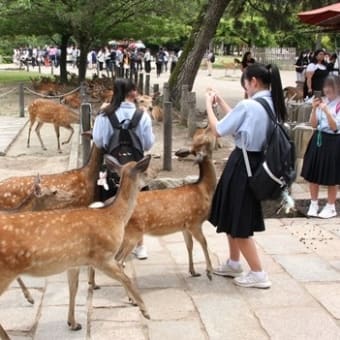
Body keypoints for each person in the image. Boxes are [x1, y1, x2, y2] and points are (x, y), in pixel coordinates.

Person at [205, 63, 287, 289]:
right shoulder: (271, 104)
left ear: (253, 82)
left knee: (239, 221)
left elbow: (219, 130)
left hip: (242, 165)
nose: (245, 87)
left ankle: (259, 274)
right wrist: (221, 102)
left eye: (245, 82)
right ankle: (233, 263)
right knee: (232, 214)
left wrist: (208, 106)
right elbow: (240, 122)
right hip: (257, 163)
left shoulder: (250, 105)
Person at [93, 78, 155, 260]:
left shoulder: (105, 115)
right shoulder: (142, 115)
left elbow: (98, 141)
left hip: (111, 167)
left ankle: (111, 245)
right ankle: (140, 246)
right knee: (137, 205)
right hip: (136, 169)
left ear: (115, 92)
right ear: (133, 93)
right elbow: (148, 144)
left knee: (108, 203)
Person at [301, 76, 340, 218]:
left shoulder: (338, 104)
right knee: (314, 172)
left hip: (334, 140)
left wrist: (327, 112)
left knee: (332, 175)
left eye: (332, 87)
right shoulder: (322, 101)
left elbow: (335, 127)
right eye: (326, 87)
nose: (328, 90)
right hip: (319, 138)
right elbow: (313, 124)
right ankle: (314, 203)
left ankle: (330, 206)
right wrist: (314, 109)